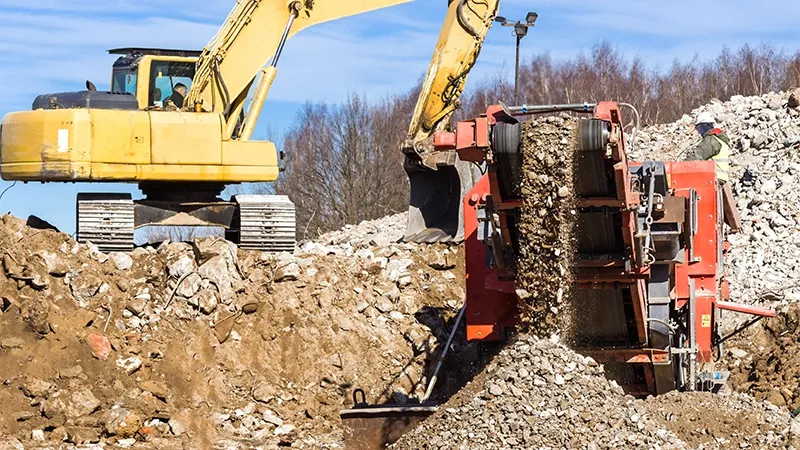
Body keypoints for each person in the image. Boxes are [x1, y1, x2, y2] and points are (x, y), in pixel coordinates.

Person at [684, 112, 741, 232]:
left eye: (699, 128)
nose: (699, 132)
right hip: (718, 181)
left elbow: (695, 158)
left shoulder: (711, 140)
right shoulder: (721, 140)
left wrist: (682, 165)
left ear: (705, 126)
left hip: (710, 182)